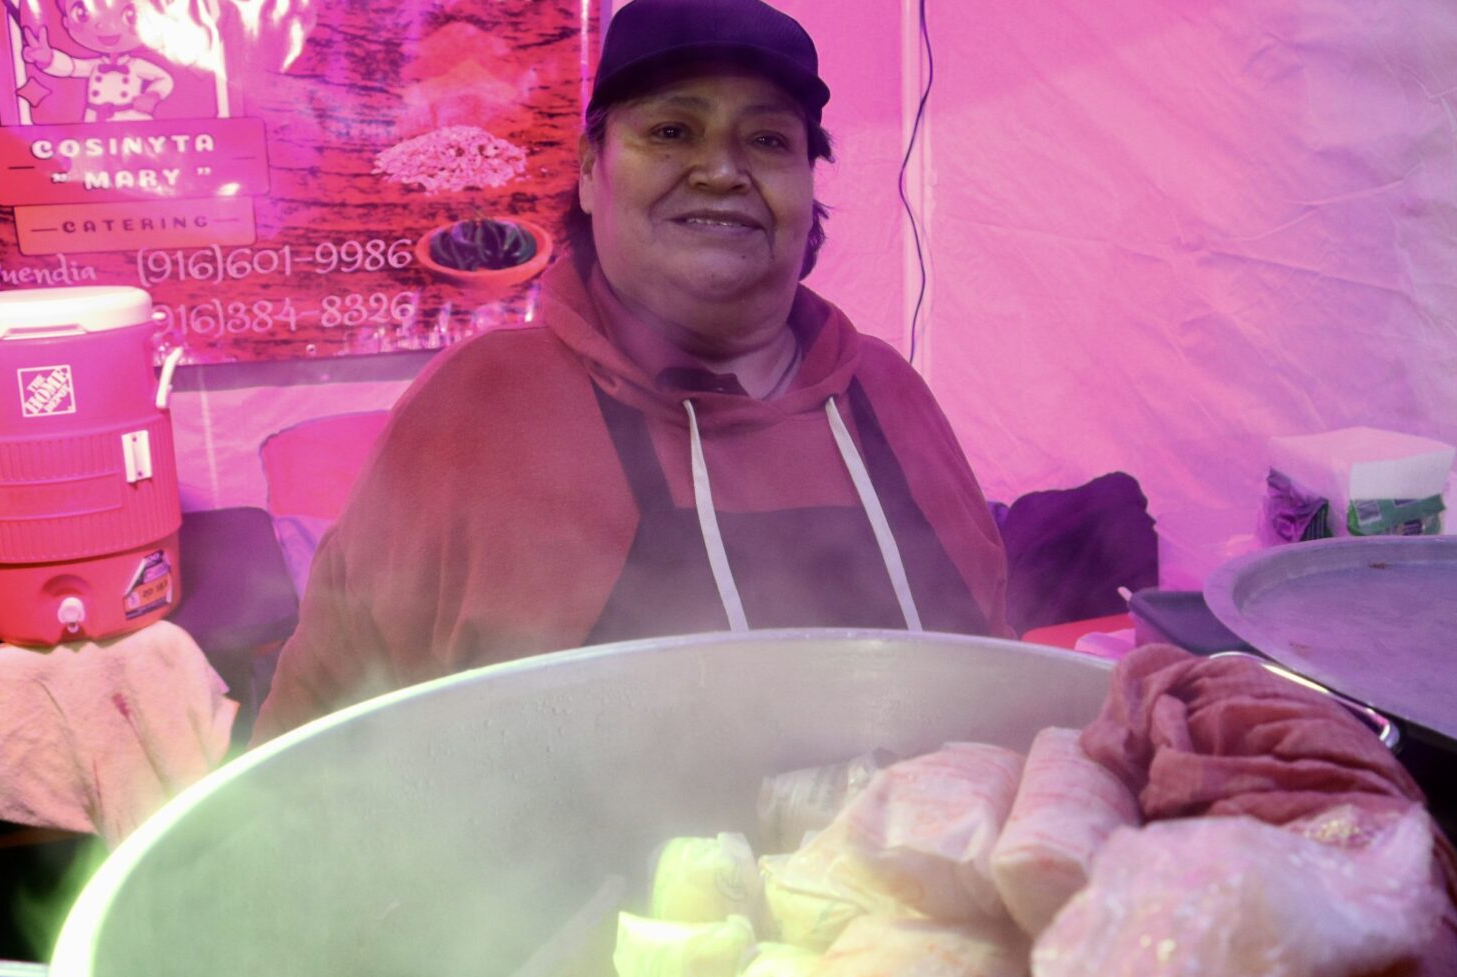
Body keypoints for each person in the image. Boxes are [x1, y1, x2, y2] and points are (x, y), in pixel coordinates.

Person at [253, 0, 1010, 741]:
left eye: (769, 140)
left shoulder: (890, 392)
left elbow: (999, 686)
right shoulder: (478, 408)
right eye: (672, 131)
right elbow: (321, 737)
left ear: (810, 187)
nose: (722, 170)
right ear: (591, 170)